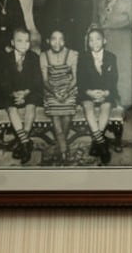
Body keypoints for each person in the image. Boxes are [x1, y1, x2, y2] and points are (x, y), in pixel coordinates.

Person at [0, 28, 43, 164]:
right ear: (12, 42)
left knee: (31, 106)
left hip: (29, 91)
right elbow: (3, 80)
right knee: (10, 107)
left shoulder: (34, 57)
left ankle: (23, 142)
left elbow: (37, 80)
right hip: (12, 92)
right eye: (19, 41)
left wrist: (26, 92)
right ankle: (26, 142)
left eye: (27, 41)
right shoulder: (6, 58)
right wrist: (14, 93)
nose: (24, 44)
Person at [77, 27, 118, 164]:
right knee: (88, 108)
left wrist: (106, 92)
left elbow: (114, 79)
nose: (94, 43)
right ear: (88, 43)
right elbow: (80, 80)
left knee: (105, 108)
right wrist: (90, 92)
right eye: (91, 40)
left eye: (98, 39)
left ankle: (96, 142)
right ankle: (102, 144)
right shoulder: (83, 57)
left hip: (106, 91)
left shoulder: (111, 57)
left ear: (104, 41)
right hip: (88, 92)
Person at [39, 29, 78, 164]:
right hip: (52, 90)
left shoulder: (72, 54)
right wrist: (54, 92)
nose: (57, 42)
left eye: (60, 39)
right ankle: (64, 149)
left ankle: (60, 146)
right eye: (53, 38)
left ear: (64, 41)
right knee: (55, 115)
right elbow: (45, 81)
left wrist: (67, 92)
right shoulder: (43, 56)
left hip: (69, 89)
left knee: (67, 114)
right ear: (48, 41)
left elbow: (75, 79)